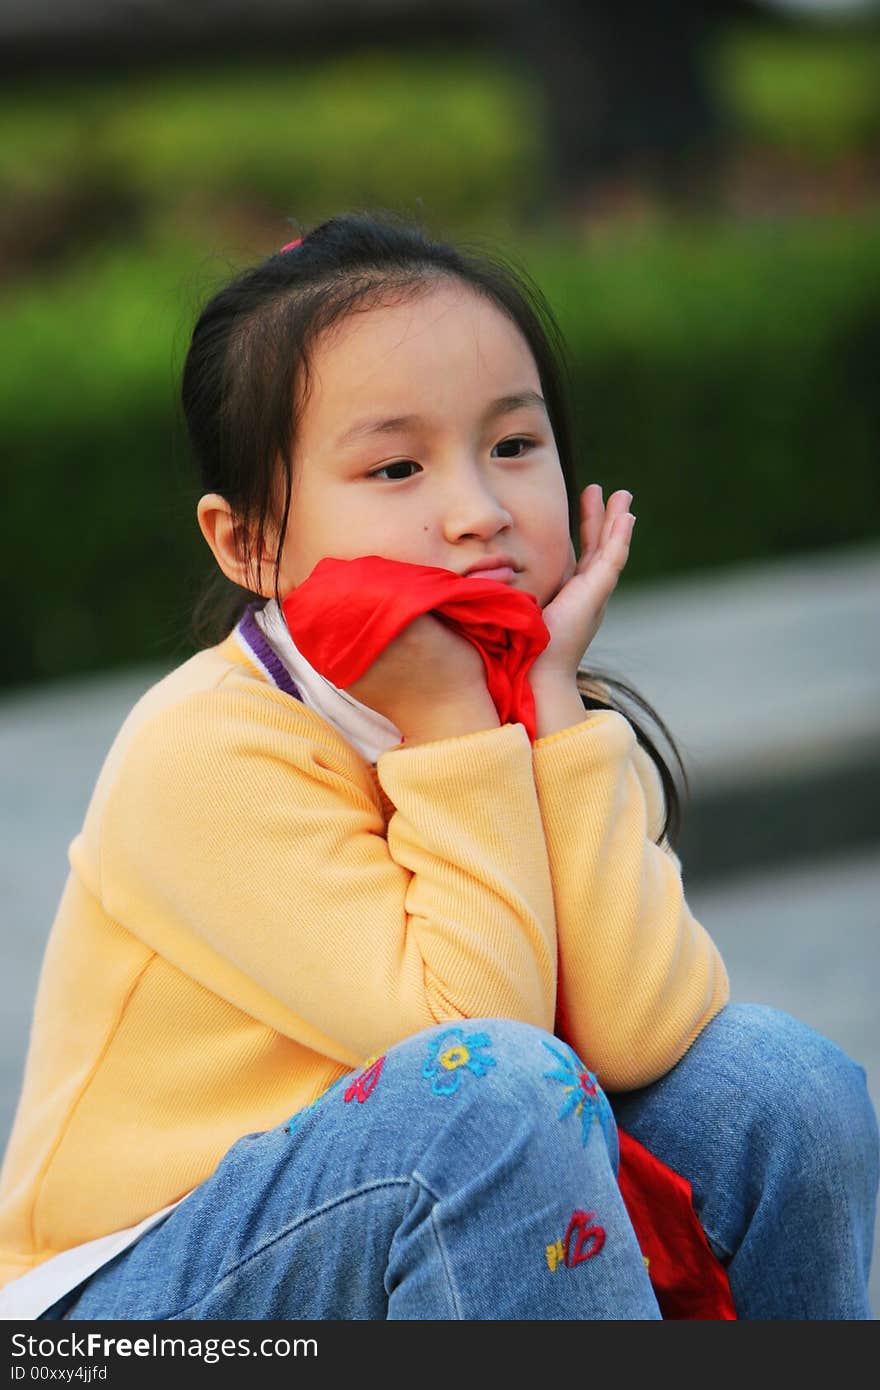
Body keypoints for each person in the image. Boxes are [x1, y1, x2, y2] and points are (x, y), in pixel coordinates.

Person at [0, 210, 876, 1321]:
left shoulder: (547, 712)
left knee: (773, 1084)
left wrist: (553, 711)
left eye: (512, 446)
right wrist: (456, 727)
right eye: (397, 466)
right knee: (496, 1101)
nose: (477, 512)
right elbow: (478, 1037)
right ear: (248, 542)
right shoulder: (208, 748)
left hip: (402, 1198)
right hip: (123, 1299)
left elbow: (644, 1029)